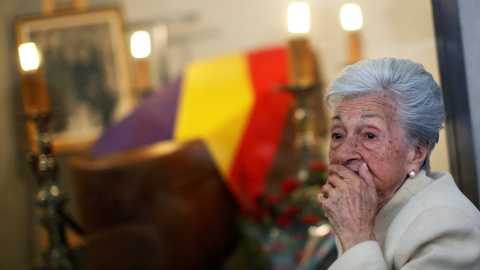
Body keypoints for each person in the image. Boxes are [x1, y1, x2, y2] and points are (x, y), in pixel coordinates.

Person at [317, 57, 480, 269]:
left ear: (416, 152)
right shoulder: (364, 208)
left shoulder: (445, 224)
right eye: (338, 135)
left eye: (369, 135)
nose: (343, 154)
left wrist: (356, 237)